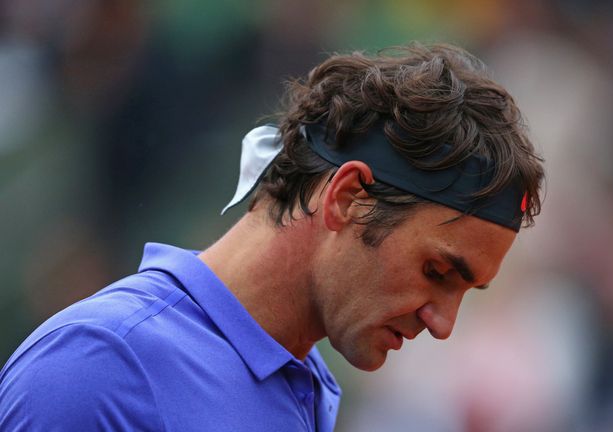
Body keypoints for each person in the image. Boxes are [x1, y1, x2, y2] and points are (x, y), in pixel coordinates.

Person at [0, 43, 544, 431]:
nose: (443, 325)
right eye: (438, 272)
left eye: (464, 292)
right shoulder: (100, 367)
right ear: (348, 197)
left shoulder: (306, 382)